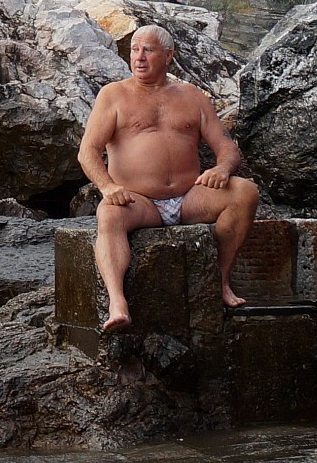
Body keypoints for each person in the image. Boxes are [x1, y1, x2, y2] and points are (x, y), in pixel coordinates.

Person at [76, 24, 259, 333]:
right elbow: (88, 151)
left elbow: (226, 146)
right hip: (139, 201)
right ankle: (117, 302)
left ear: (168, 56)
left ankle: (221, 281)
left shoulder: (192, 96)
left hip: (190, 198)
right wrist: (108, 187)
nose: (139, 57)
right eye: (134, 49)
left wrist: (222, 169)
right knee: (108, 214)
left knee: (244, 192)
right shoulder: (113, 95)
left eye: (148, 50)